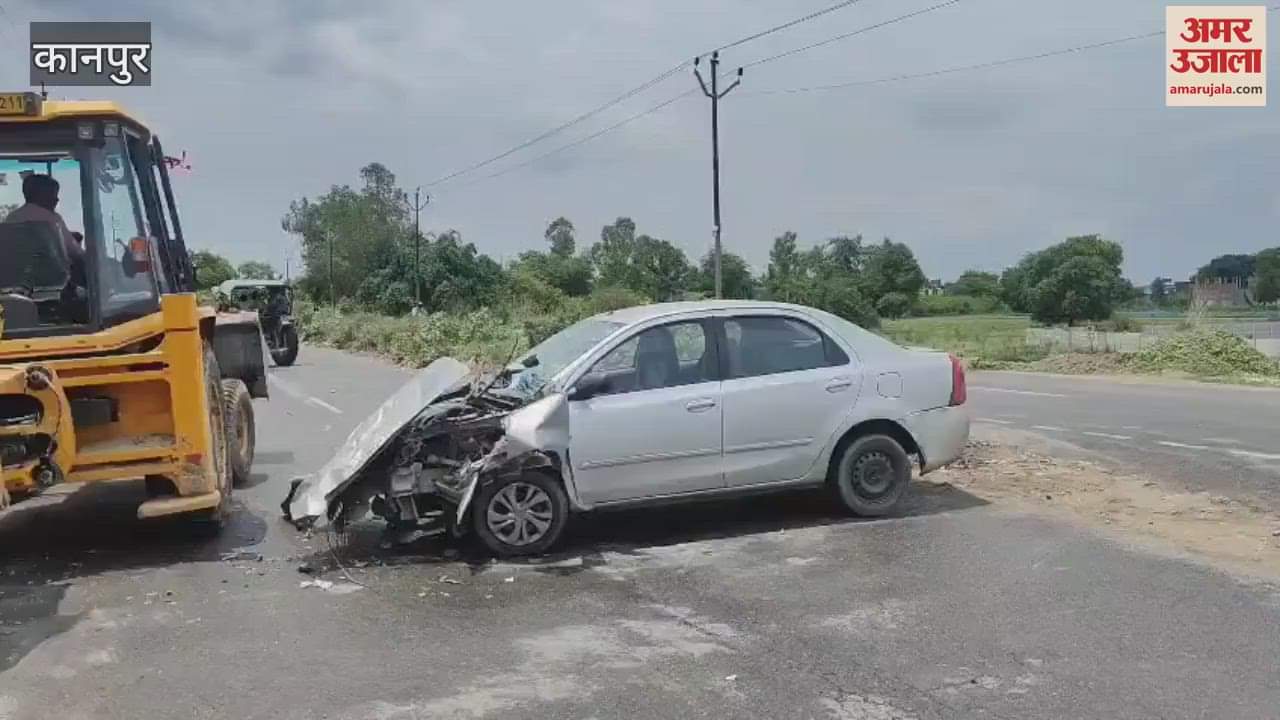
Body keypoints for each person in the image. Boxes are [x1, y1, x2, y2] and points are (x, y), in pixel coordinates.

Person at [4, 174, 83, 263]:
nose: (57, 199)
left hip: (15, 273)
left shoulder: (12, 217)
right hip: (52, 274)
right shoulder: (53, 219)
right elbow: (74, 252)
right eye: (53, 194)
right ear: (40, 195)